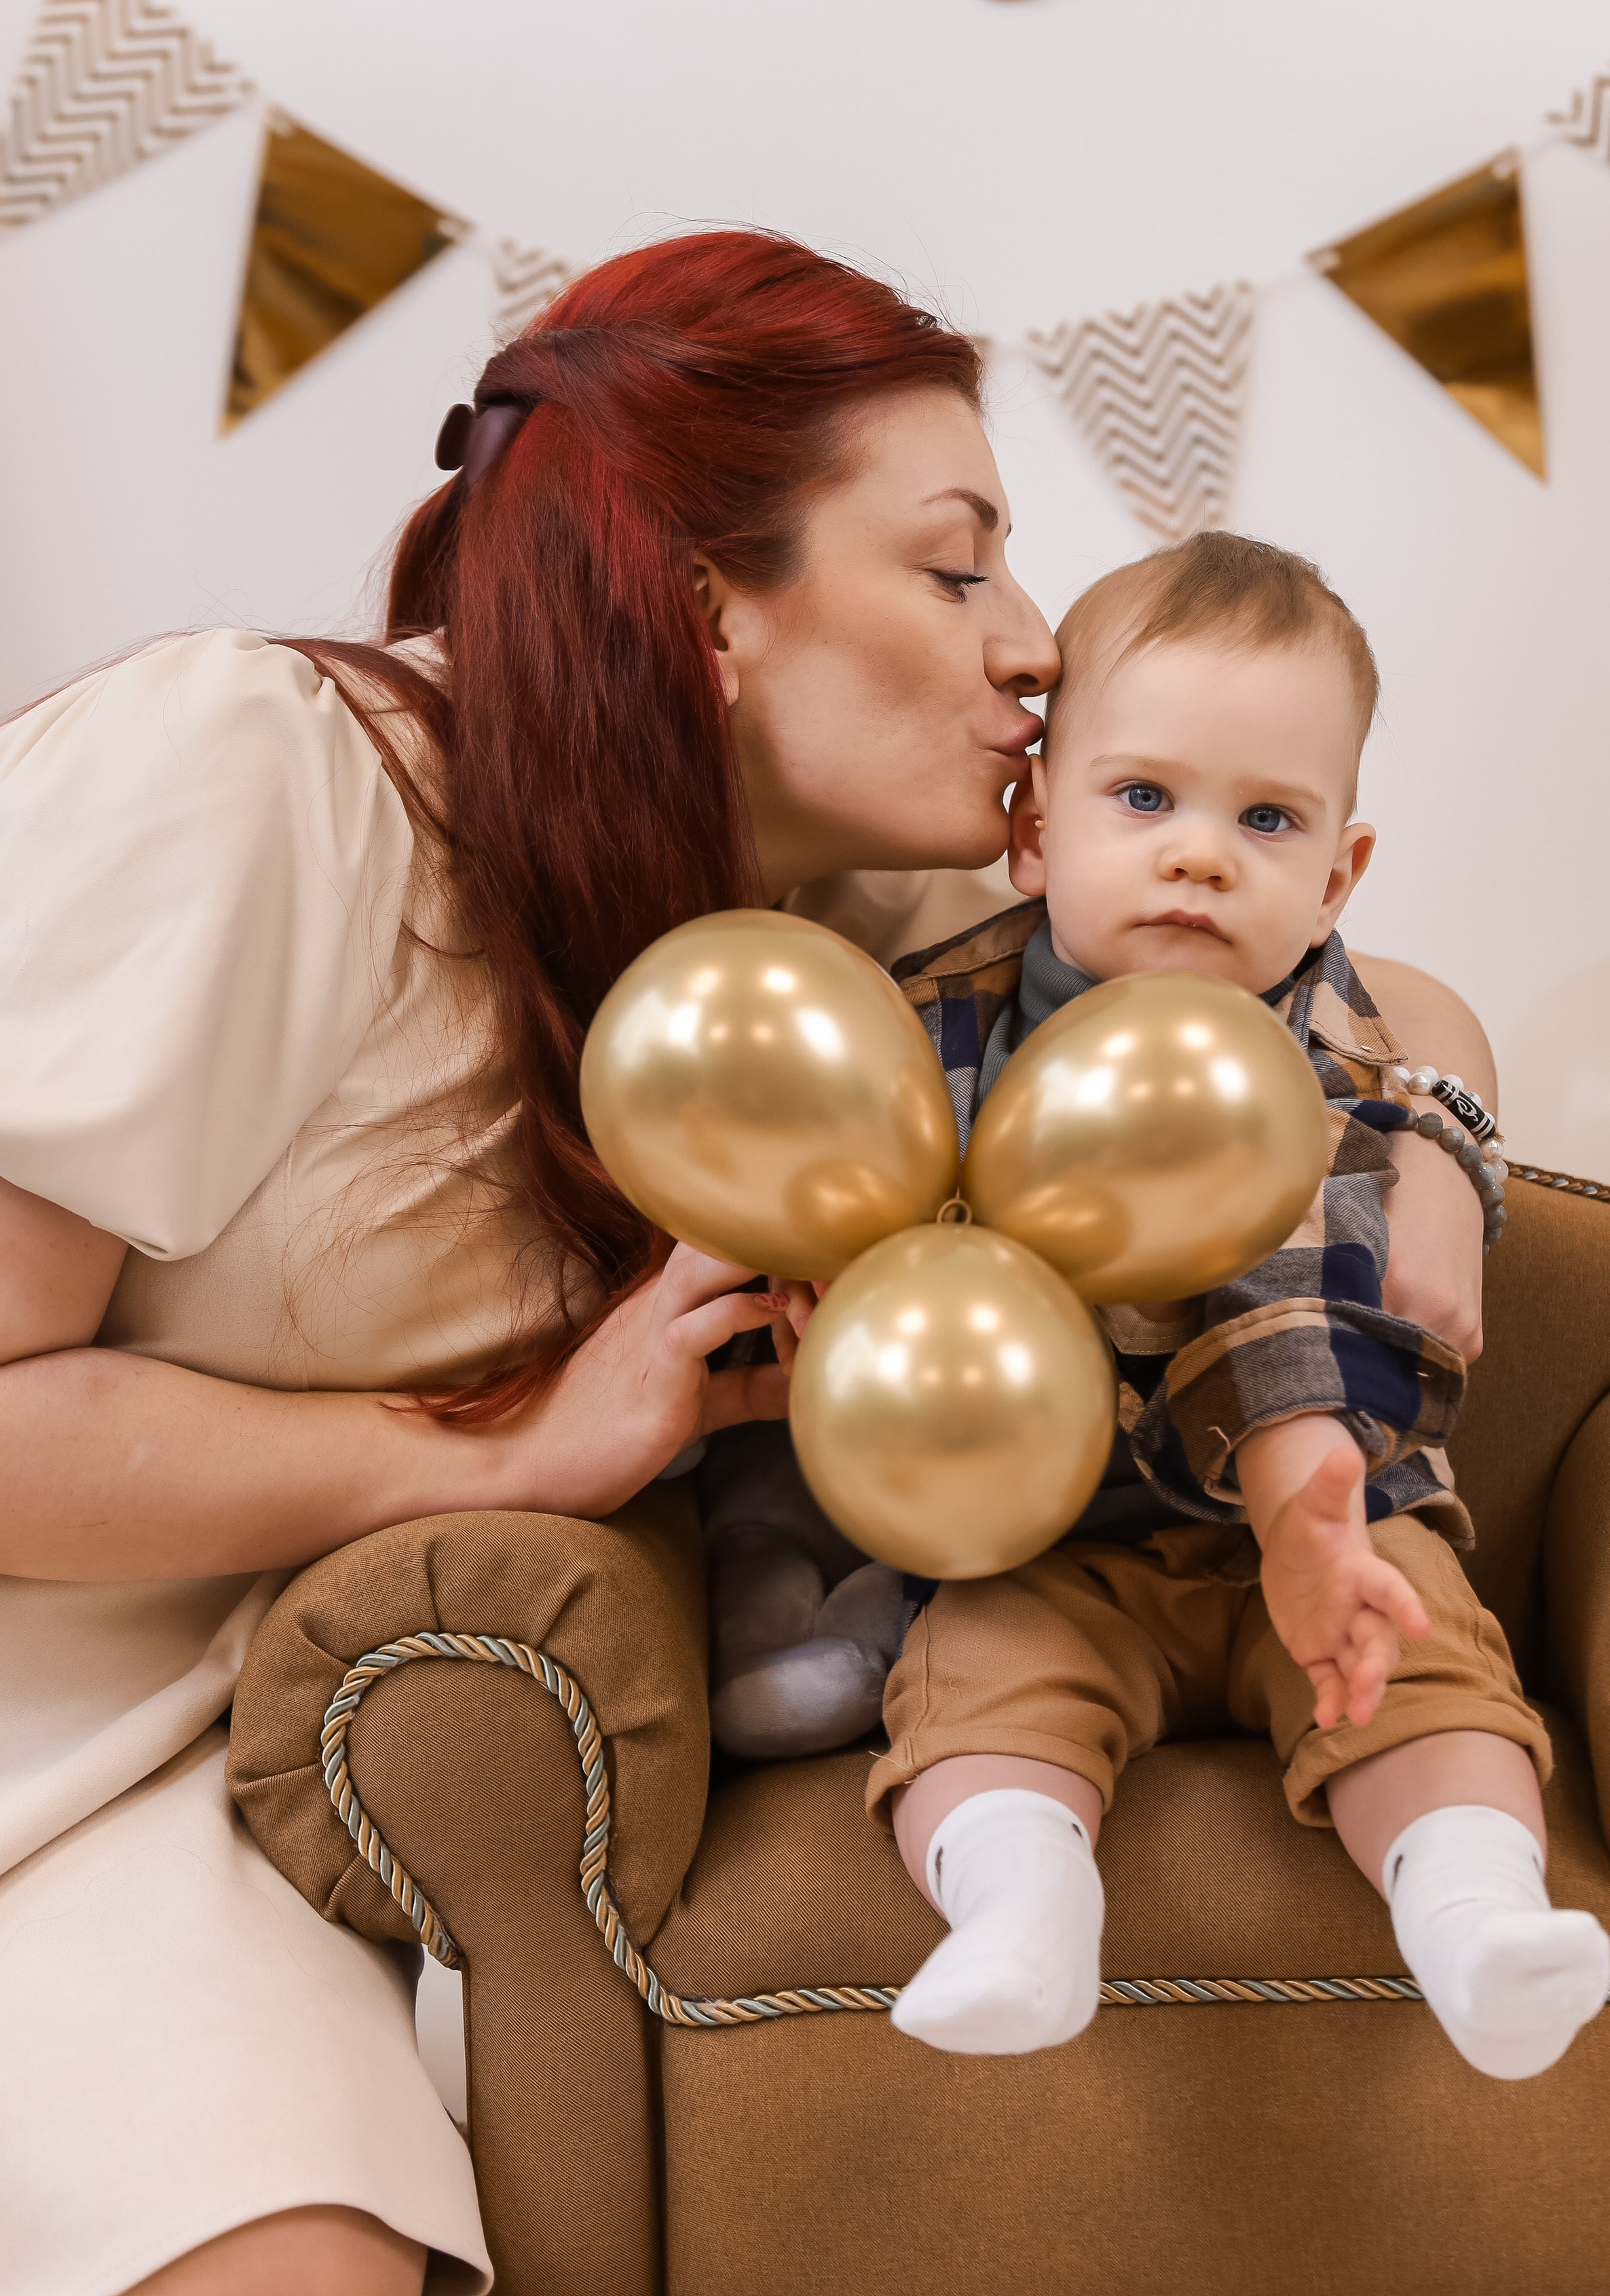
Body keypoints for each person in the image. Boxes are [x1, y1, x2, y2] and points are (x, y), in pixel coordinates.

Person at [0, 233, 1492, 2296]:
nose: (1040, 645)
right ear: (708, 608)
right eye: (959, 565)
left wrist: (1441, 1157)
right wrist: (501, 1455)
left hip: (238, 1774)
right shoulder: (260, 774)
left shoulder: (818, 928)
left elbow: (1356, 980)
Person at [853, 535, 1610, 2079]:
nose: (1199, 854)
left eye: (1264, 819)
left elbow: (1288, 1285)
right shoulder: (922, 1029)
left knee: (1428, 1675)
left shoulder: (1335, 1065)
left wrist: (1307, 1516)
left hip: (1332, 1525)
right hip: (1048, 1538)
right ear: (1032, 826)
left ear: (1335, 874)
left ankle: (1475, 1913)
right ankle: (1020, 1907)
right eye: (1142, 799)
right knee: (974, 1689)